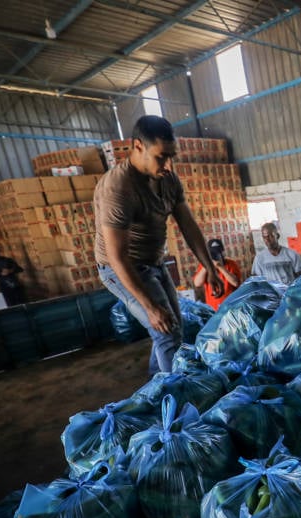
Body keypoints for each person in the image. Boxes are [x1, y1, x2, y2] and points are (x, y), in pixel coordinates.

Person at [94, 115, 223, 375]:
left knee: (173, 329)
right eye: (161, 156)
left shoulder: (168, 179)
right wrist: (150, 308)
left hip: (154, 262)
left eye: (171, 156)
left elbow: (188, 225)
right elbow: (117, 257)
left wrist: (209, 266)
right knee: (166, 333)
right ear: (138, 146)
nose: (168, 164)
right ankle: (176, 402)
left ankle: (158, 386)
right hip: (121, 268)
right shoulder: (118, 188)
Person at [193, 238, 242, 310]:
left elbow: (235, 283)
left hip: (231, 308)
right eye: (213, 254)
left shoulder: (231, 263)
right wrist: (206, 266)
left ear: (223, 253)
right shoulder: (204, 266)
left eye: (218, 253)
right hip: (213, 309)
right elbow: (197, 283)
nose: (216, 256)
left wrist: (220, 266)